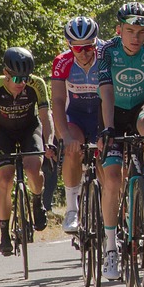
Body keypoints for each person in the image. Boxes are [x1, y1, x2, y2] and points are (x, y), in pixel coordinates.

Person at [98, 2, 144, 282]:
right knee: (113, 178)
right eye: (130, 31)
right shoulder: (107, 51)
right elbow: (106, 90)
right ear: (119, 30)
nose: (136, 37)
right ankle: (110, 248)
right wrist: (108, 127)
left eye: (141, 32)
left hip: (143, 105)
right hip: (113, 111)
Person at [0, 47, 54, 255]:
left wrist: (49, 142)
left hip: (30, 128)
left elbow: (46, 116)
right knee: (5, 178)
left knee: (33, 168)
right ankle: (4, 233)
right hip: (3, 132)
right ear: (6, 72)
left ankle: (37, 201)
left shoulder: (37, 84)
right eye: (17, 78)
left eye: (26, 78)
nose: (22, 83)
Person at [50, 17, 103, 235]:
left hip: (101, 116)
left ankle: (113, 207)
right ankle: (72, 209)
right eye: (78, 48)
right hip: (76, 117)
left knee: (108, 161)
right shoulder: (62, 62)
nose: (84, 53)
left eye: (89, 47)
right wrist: (65, 136)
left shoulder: (106, 56)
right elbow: (58, 101)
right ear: (69, 45)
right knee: (72, 150)